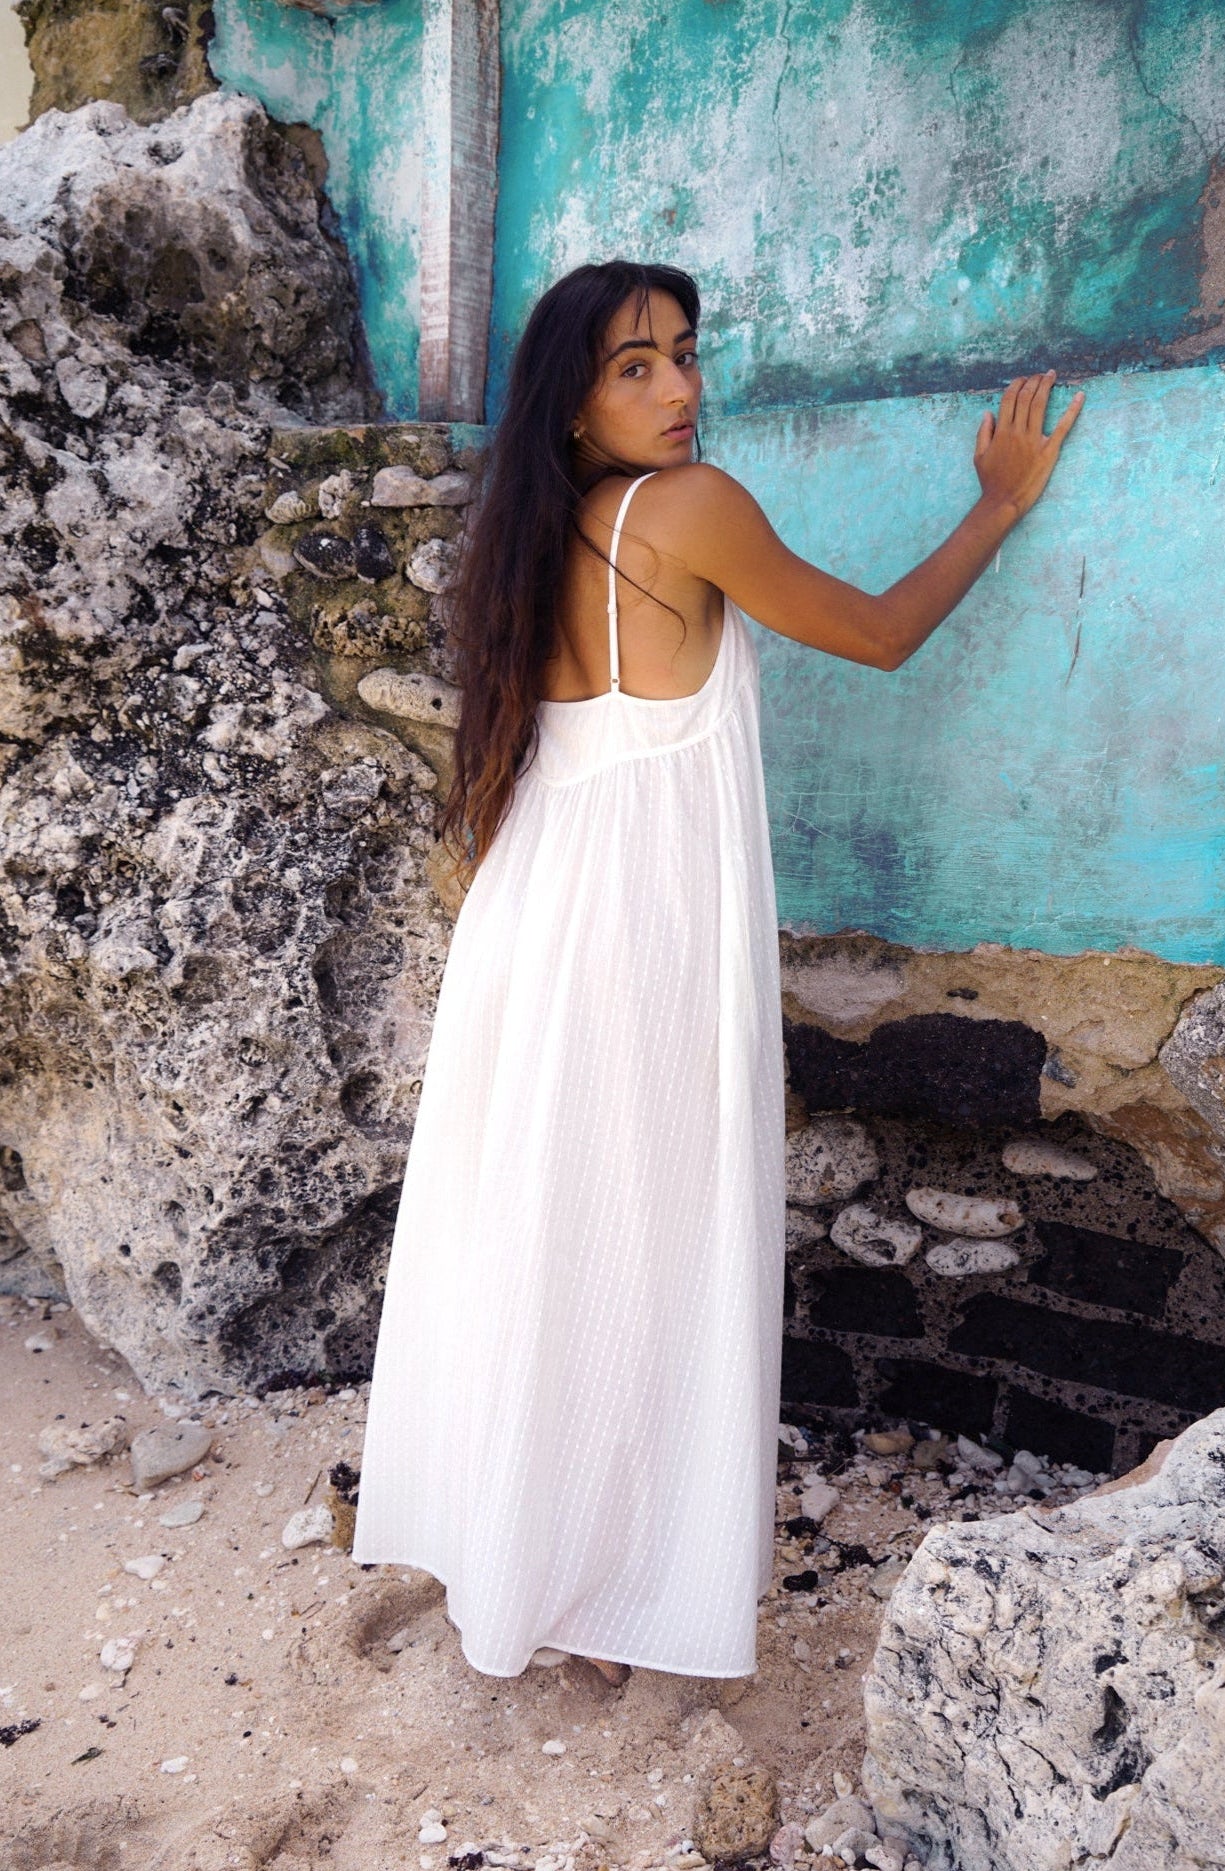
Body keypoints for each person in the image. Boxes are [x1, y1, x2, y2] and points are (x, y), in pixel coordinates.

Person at [350, 259, 1083, 1688]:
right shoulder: (680, 510)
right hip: (641, 931)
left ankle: (520, 1562)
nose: (681, 389)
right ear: (572, 399)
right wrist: (997, 502)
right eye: (635, 366)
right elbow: (874, 635)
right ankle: (610, 1584)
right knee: (646, 1242)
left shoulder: (531, 535)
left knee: (540, 1240)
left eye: (685, 354)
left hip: (534, 922)